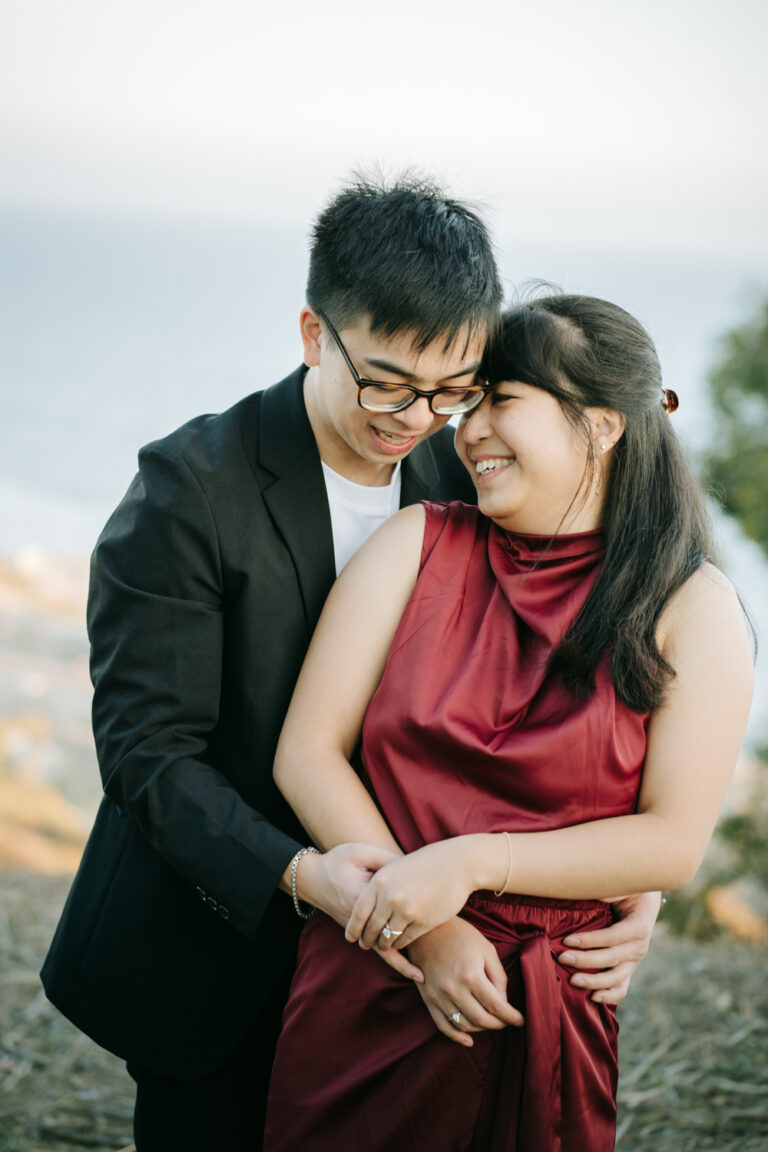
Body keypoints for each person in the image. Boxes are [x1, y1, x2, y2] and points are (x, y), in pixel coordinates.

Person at [40, 178, 660, 1152]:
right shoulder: (187, 490)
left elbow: (562, 686)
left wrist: (636, 886)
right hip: (217, 953)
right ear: (312, 334)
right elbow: (149, 758)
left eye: (453, 388)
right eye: (384, 380)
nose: (416, 417)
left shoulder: (471, 472)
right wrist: (310, 877)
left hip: (406, 980)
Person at [265, 295, 754, 1151]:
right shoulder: (417, 542)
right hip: (375, 962)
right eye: (471, 401)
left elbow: (672, 841)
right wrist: (434, 926)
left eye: (503, 399)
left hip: (548, 1001)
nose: (468, 429)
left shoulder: (692, 604)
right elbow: (307, 754)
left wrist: (475, 863)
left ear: (601, 427)